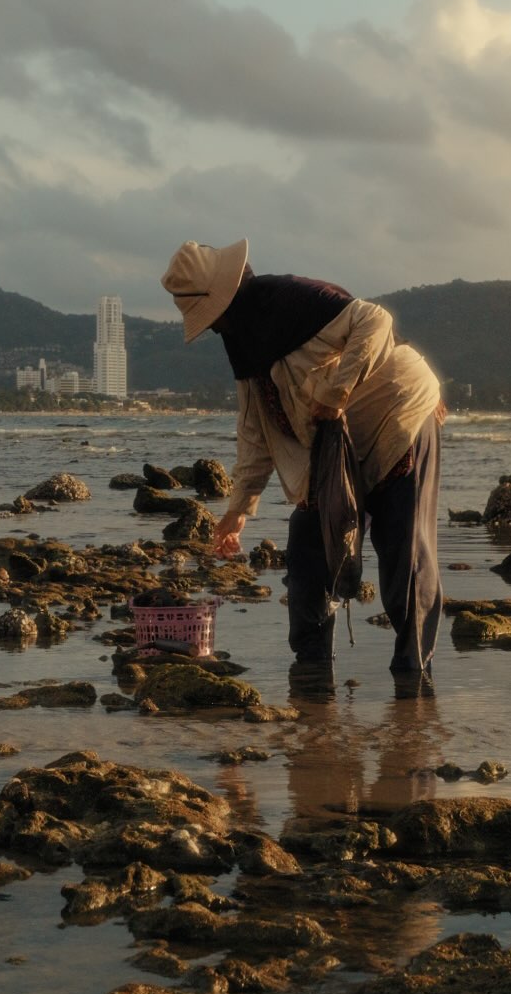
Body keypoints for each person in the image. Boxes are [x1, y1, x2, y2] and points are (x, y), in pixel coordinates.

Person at [161, 238, 445, 691]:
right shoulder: (240, 341)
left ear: (226, 297)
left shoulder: (292, 298)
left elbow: (375, 321)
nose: (214, 328)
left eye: (212, 317)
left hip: (397, 422)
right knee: (307, 549)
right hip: (333, 453)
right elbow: (256, 435)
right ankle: (313, 678)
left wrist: (336, 395)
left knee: (403, 555)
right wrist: (236, 513)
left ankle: (412, 680)